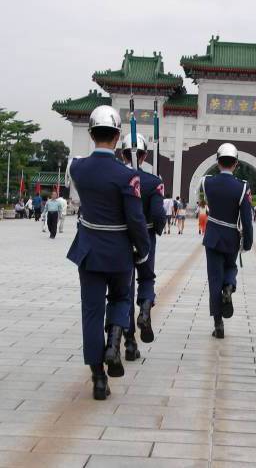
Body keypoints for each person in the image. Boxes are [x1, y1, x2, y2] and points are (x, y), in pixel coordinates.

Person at [66, 105, 150, 400]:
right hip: (118, 251)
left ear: (90, 134)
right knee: (121, 298)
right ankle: (114, 342)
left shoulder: (77, 167)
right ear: (117, 136)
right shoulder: (127, 176)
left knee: (91, 311)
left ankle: (98, 377)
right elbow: (136, 219)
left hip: (89, 248)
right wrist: (144, 250)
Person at [120, 132, 166, 361]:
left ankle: (129, 343)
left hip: (122, 239)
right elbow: (159, 213)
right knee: (146, 278)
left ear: (122, 154)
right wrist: (156, 229)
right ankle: (145, 309)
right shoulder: (154, 182)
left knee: (125, 289)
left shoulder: (118, 178)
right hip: (146, 236)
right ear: (145, 155)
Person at [200, 143, 253, 338]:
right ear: (236, 164)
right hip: (231, 236)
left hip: (213, 235)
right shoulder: (242, 187)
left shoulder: (207, 182)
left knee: (214, 279)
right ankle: (229, 286)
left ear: (217, 161)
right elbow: (246, 220)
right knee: (230, 268)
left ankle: (218, 324)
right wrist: (247, 243)